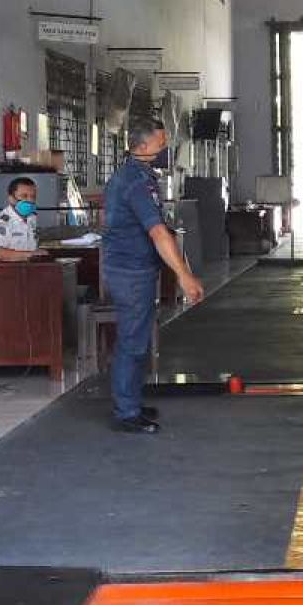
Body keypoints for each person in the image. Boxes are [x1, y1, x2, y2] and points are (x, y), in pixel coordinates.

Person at [102, 116, 204, 434]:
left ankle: (130, 399)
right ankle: (126, 412)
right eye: (161, 143)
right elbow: (158, 232)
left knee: (138, 339)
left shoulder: (140, 175)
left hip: (137, 268)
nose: (165, 147)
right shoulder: (134, 181)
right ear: (143, 146)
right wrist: (184, 276)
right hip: (129, 271)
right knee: (132, 342)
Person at [0, 177, 45, 261]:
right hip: (9, 270)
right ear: (11, 199)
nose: (30, 200)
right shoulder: (0, 223)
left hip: (30, 268)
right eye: (24, 196)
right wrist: (30, 255)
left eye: (33, 196)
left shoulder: (32, 217)